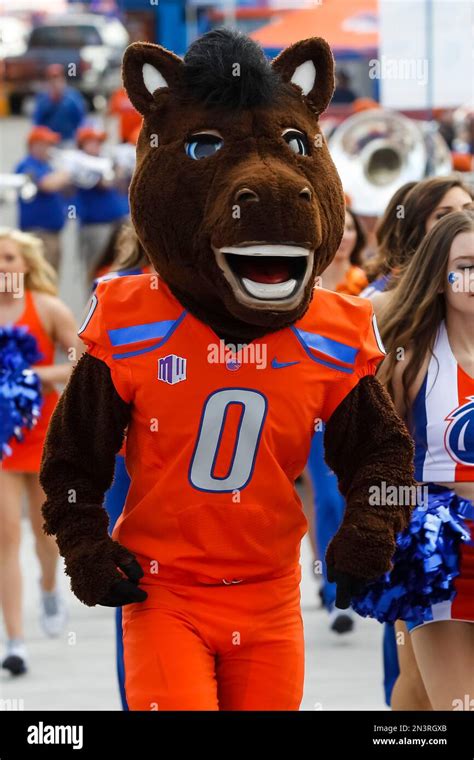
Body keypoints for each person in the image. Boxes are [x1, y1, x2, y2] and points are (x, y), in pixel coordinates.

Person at [40, 30, 415, 711]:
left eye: (296, 147)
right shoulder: (130, 316)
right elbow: (72, 458)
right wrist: (84, 543)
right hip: (164, 591)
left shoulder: (333, 327)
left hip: (272, 595)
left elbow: (383, 452)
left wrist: (372, 527)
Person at [356, 210, 474, 710]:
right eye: (464, 266)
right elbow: (373, 457)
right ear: (438, 275)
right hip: (444, 557)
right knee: (456, 704)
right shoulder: (411, 356)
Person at [0, 229, 80, 676]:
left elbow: (82, 359)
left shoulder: (46, 308)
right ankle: (14, 640)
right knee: (5, 538)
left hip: (44, 437)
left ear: (25, 264)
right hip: (1, 440)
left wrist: (35, 373)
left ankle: (49, 587)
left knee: (46, 535)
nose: (2, 267)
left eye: (9, 258)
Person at [305, 206, 368, 634]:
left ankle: (357, 575)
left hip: (362, 407)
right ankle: (333, 592)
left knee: (358, 498)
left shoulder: (370, 284)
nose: (344, 235)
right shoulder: (304, 282)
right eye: (337, 228)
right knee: (328, 499)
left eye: (350, 228)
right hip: (315, 411)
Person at [367, 176, 473, 318]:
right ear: (418, 231)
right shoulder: (380, 306)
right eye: (443, 216)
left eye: (470, 210)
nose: (461, 221)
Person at [75, 126, 130, 276]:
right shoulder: (82, 164)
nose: (97, 146)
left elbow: (121, 187)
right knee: (98, 271)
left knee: (119, 269)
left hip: (117, 224)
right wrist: (115, 170)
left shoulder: (103, 161)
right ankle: (95, 299)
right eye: (92, 142)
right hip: (97, 226)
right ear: (82, 145)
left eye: (99, 142)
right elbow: (104, 184)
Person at [15, 126, 71, 271]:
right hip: (38, 234)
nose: (51, 148)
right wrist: (66, 173)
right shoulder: (26, 165)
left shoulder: (48, 166)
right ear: (35, 145)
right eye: (48, 144)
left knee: (51, 278)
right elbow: (47, 185)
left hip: (52, 233)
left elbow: (66, 191)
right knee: (40, 278)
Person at [33, 63, 86, 144]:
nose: (55, 82)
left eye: (57, 78)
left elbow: (80, 118)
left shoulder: (72, 96)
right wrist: (51, 102)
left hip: (69, 139)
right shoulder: (42, 98)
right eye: (52, 79)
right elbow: (37, 121)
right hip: (49, 141)